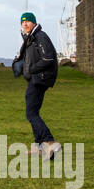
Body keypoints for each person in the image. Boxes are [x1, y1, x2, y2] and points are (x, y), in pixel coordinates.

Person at [11, 12, 60, 158]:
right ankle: (39, 146)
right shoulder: (30, 38)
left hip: (40, 78)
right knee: (32, 112)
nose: (25, 24)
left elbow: (48, 58)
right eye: (22, 22)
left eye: (28, 21)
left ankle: (49, 141)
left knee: (31, 112)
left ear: (34, 23)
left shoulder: (40, 36)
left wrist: (30, 69)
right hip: (35, 78)